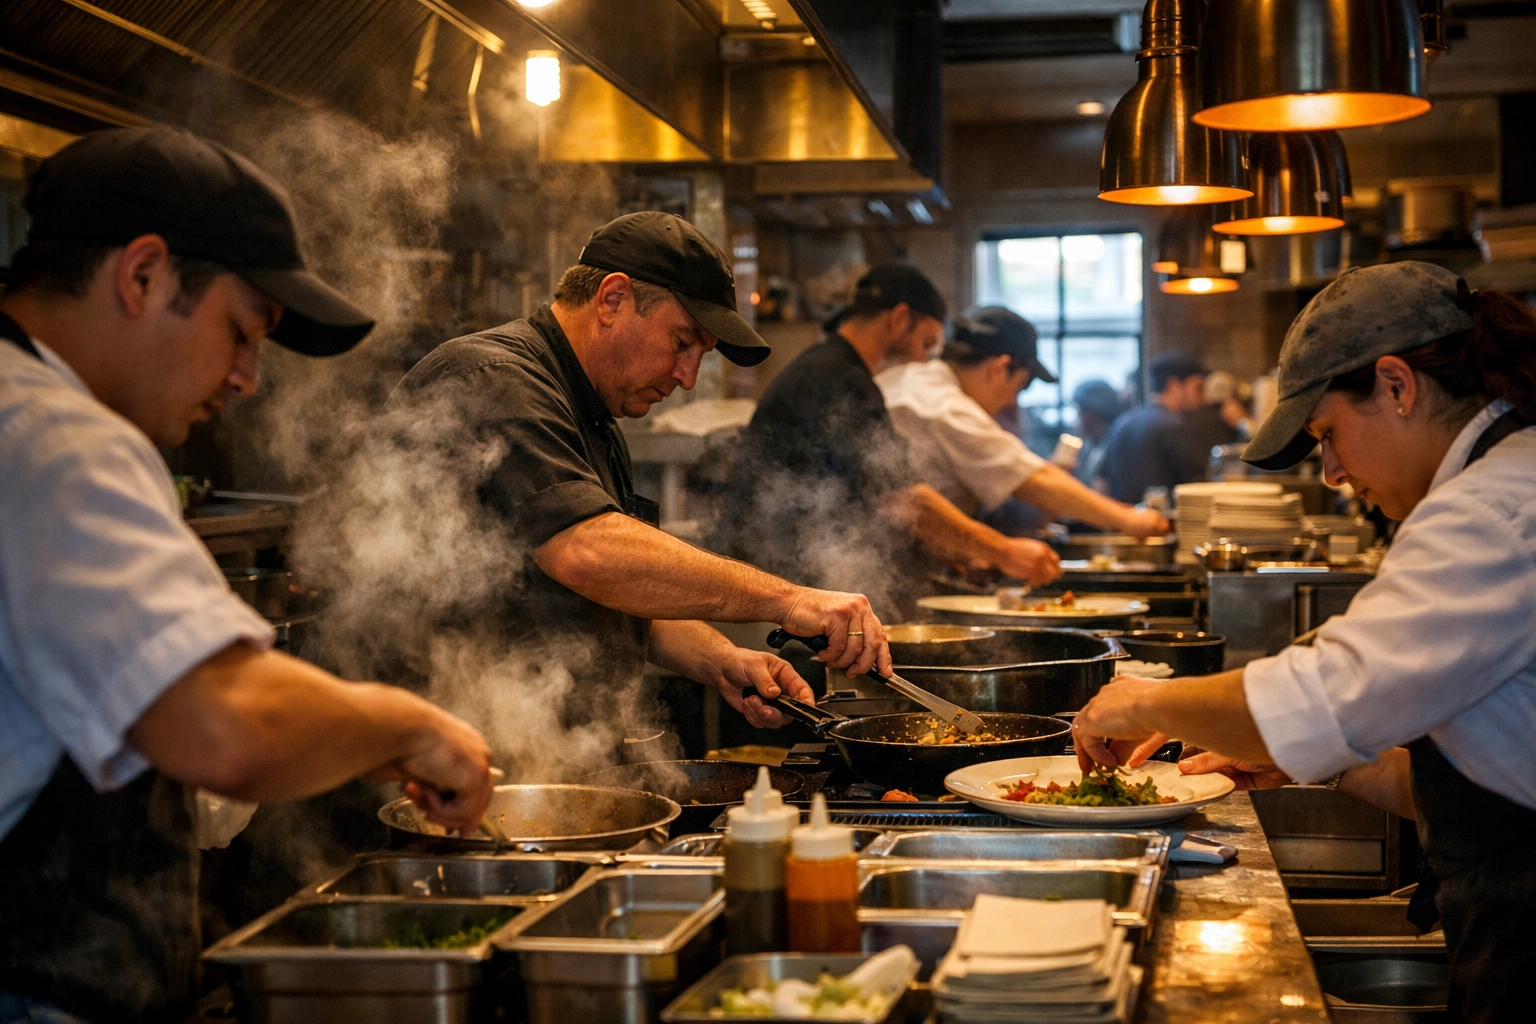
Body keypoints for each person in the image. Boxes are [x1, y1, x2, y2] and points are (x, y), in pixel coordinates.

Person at [0, 127, 496, 1024]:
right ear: (142, 275)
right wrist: (413, 725)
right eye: (241, 330)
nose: (248, 379)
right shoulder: (52, 440)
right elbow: (227, 728)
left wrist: (366, 741)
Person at [1070, 262, 1536, 1024]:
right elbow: (1488, 778)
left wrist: (1142, 702)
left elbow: (1318, 696)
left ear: (1397, 385)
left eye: (1328, 434)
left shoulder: (1489, 513)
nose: (1333, 471)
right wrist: (1327, 763)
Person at [371, 212, 891, 739]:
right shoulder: (493, 379)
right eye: (682, 342)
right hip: (426, 736)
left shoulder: (595, 416)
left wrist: (722, 660)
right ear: (612, 299)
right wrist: (789, 600)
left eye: (701, 355)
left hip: (531, 735)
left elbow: (620, 594)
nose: (688, 377)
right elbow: (589, 555)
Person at [715, 265, 1063, 620]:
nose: (923, 359)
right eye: (926, 343)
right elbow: (903, 496)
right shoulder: (838, 378)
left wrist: (951, 549)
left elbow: (867, 494)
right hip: (767, 587)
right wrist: (1004, 551)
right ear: (899, 319)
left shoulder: (830, 368)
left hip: (780, 578)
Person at [875, 307, 1168, 538]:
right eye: (1020, 387)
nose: (1011, 402)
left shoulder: (912, 380)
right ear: (998, 369)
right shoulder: (943, 406)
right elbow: (1034, 482)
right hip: (883, 556)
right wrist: (1128, 519)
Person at [1096, 349, 1210, 503]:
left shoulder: (1120, 424)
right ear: (1174, 385)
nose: (1203, 398)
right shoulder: (1177, 427)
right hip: (1162, 518)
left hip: (1121, 517)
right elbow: (1199, 490)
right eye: (1198, 389)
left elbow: (1101, 485)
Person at [1071, 379, 1122, 489]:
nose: (1078, 415)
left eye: (1081, 410)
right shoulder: (1090, 444)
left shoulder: (1115, 444)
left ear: (1094, 412)